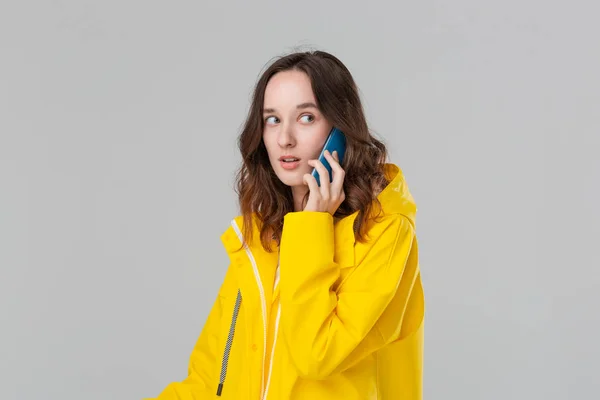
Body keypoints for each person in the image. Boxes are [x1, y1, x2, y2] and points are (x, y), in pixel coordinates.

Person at [145, 50, 424, 399]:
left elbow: (316, 356)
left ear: (341, 129)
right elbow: (208, 380)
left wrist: (313, 226)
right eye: (273, 119)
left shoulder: (384, 233)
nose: (284, 139)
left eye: (306, 117)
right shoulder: (263, 238)